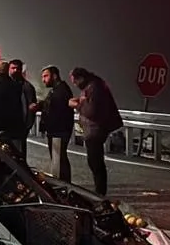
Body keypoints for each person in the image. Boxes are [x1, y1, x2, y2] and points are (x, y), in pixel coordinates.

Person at [69, 67, 122, 198]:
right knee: (94, 161)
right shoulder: (91, 86)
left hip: (96, 130)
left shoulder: (94, 87)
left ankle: (100, 193)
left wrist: (77, 105)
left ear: (80, 78)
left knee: (95, 162)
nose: (75, 85)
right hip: (93, 129)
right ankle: (99, 191)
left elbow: (92, 111)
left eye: (75, 81)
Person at [37, 65, 75, 181]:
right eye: (42, 77)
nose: (43, 79)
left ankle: (62, 186)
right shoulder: (57, 89)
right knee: (58, 158)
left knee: (58, 159)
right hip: (57, 130)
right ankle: (64, 184)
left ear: (54, 76)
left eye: (46, 76)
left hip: (58, 130)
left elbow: (55, 109)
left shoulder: (61, 90)